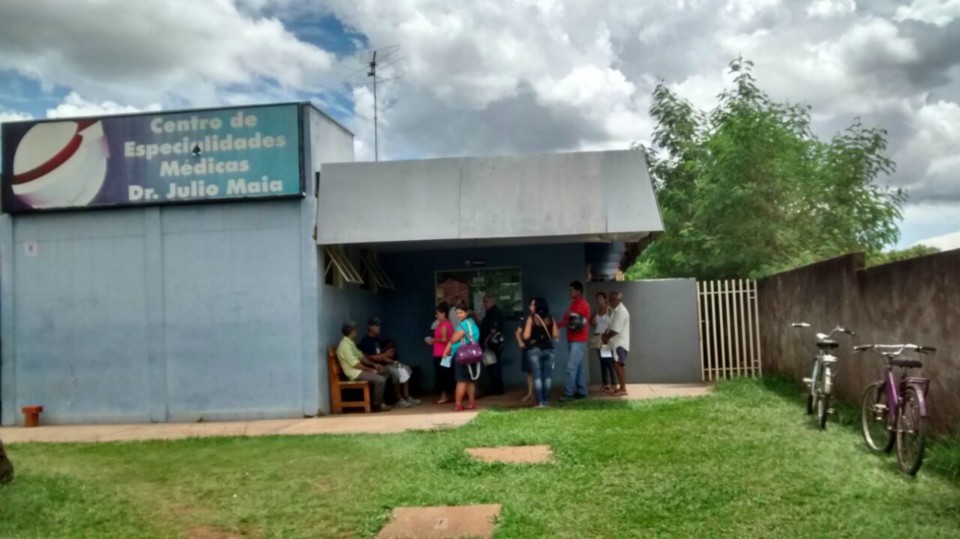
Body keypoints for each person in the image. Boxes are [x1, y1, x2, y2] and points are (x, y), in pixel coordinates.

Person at [359, 317, 420, 407]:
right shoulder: (366, 340)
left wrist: (395, 362)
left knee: (404, 368)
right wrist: (385, 355)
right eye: (376, 325)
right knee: (396, 372)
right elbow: (371, 357)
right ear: (370, 327)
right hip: (375, 367)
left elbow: (383, 357)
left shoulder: (376, 340)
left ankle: (406, 396)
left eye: (379, 325)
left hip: (383, 364)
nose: (379, 327)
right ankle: (399, 399)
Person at [336, 321, 390, 411]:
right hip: (354, 373)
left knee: (384, 371)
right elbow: (355, 365)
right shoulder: (344, 346)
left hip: (359, 371)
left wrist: (374, 365)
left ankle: (379, 398)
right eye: (354, 330)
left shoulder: (350, 343)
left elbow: (361, 357)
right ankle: (377, 404)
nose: (356, 331)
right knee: (380, 380)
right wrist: (370, 370)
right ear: (350, 331)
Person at [443, 302, 482, 411]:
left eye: (461, 312)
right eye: (457, 313)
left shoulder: (463, 325)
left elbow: (454, 339)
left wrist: (447, 349)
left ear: (467, 313)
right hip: (473, 354)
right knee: (470, 381)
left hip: (463, 355)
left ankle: (458, 404)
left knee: (461, 381)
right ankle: (471, 403)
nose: (458, 315)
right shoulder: (472, 323)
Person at [523, 297, 560, 408]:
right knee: (547, 376)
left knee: (537, 376)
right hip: (549, 350)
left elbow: (526, 335)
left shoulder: (532, 318)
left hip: (535, 350)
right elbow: (556, 334)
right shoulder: (550, 318)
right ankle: (546, 401)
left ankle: (540, 402)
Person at [559, 280, 591, 401]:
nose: (570, 292)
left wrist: (571, 316)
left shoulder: (583, 304)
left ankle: (568, 393)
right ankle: (582, 391)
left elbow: (576, 322)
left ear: (579, 291)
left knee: (571, 367)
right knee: (579, 367)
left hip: (578, 340)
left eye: (572, 290)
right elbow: (566, 320)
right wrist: (555, 326)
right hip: (572, 339)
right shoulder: (573, 304)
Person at [426, 302, 455, 404]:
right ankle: (449, 395)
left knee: (442, 375)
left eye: (438, 313)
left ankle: (444, 396)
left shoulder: (444, 325)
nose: (436, 316)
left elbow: (444, 339)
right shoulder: (449, 324)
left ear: (443, 314)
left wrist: (433, 340)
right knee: (447, 374)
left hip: (441, 354)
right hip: (447, 353)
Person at [603, 291, 631, 397]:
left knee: (618, 365)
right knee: (617, 365)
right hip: (614, 343)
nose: (611, 302)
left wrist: (606, 337)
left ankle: (623, 389)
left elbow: (616, 330)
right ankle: (621, 388)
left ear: (619, 300)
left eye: (614, 300)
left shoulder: (621, 312)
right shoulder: (614, 310)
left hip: (619, 344)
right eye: (610, 299)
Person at [589, 291, 619, 393]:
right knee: (602, 361)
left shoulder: (609, 310)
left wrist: (608, 332)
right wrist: (595, 325)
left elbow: (614, 322)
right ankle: (605, 383)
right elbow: (591, 320)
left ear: (605, 299)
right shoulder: (596, 311)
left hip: (606, 338)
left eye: (600, 298)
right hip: (598, 337)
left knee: (609, 361)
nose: (598, 300)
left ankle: (614, 383)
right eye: (597, 298)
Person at [480, 293, 505, 395]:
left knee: (494, 365)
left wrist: (487, 339)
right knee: (490, 365)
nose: (484, 304)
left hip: (492, 343)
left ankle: (497, 388)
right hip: (489, 342)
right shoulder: (489, 312)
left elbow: (494, 328)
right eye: (484, 302)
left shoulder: (495, 312)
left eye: (486, 302)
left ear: (492, 301)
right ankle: (495, 386)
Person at [515, 325, 535, 403]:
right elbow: (518, 332)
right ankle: (530, 393)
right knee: (530, 372)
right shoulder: (527, 320)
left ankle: (541, 395)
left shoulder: (544, 320)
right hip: (528, 348)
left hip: (540, 348)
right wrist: (520, 342)